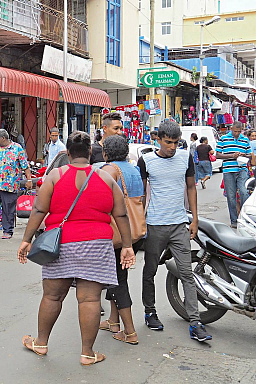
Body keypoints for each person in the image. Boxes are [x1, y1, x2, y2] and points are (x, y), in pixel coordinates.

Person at [17, 131, 135, 365]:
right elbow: (120, 214)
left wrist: (26, 239)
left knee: (52, 296)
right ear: (90, 153)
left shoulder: (54, 176)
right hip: (97, 245)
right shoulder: (106, 179)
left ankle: (40, 343)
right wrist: (127, 246)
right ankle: (87, 353)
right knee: (90, 300)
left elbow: (39, 210)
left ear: (68, 153)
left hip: (61, 245)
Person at [138, 120, 212, 342]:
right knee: (149, 270)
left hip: (180, 224)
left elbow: (191, 187)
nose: (172, 147)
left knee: (187, 274)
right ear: (158, 140)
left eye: (176, 142)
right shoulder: (146, 160)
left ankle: (195, 322)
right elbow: (141, 196)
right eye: (168, 142)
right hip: (155, 225)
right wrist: (140, 223)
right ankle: (150, 312)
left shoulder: (185, 157)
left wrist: (195, 219)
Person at [99, 135, 144, 346]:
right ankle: (113, 321)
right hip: (133, 231)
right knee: (118, 274)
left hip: (115, 232)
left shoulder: (109, 171)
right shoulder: (133, 170)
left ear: (106, 153)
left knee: (117, 280)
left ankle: (130, 331)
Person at [0, 129, 32, 240]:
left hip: (9, 184)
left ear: (4, 138)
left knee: (8, 208)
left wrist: (29, 180)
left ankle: (8, 230)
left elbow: (25, 165)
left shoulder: (17, 149)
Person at [216, 121, 255, 228]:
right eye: (235, 131)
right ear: (231, 129)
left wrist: (244, 155)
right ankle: (234, 220)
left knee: (244, 192)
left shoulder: (245, 139)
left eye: (239, 131)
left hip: (242, 169)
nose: (237, 133)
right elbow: (218, 155)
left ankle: (244, 217)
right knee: (231, 196)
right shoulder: (223, 139)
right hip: (228, 170)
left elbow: (250, 155)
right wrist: (231, 156)